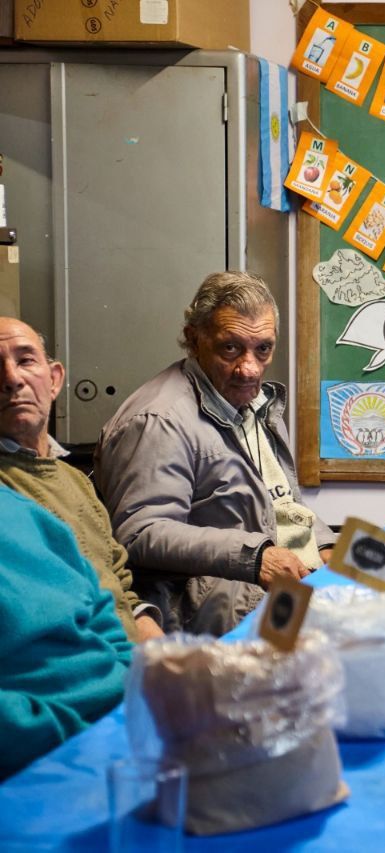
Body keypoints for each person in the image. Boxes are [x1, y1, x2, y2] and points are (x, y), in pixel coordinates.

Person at [95, 272, 335, 635]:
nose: (249, 368)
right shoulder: (158, 420)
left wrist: (327, 546)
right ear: (194, 339)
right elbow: (140, 533)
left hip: (265, 587)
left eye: (263, 349)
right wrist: (254, 556)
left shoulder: (255, 403)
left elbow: (281, 504)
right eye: (230, 348)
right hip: (208, 612)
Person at [0, 317, 162, 642]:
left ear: (55, 379)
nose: (11, 378)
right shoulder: (7, 496)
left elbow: (120, 588)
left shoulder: (76, 481)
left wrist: (168, 656)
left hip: (128, 667)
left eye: (26, 360)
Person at [0, 486, 131, 780]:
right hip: (45, 764)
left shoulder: (28, 513)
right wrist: (83, 741)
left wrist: (147, 689)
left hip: (126, 728)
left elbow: (106, 620)